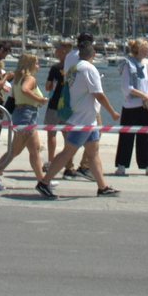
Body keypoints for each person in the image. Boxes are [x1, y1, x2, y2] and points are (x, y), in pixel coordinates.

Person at [35, 39, 120, 198]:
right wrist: (112, 112)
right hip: (83, 120)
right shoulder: (89, 70)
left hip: (85, 118)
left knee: (93, 153)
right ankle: (44, 182)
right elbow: (98, 94)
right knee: (68, 152)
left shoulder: (74, 69)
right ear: (94, 54)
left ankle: (102, 187)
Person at [0, 51, 48, 191]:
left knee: (35, 149)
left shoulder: (18, 79)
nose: (38, 66)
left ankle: (43, 181)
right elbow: (25, 90)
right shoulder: (29, 79)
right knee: (14, 150)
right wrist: (40, 99)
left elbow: (15, 97)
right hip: (27, 115)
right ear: (30, 64)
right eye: (36, 63)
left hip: (24, 114)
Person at [114, 38, 148, 177]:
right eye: (146, 49)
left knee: (146, 136)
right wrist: (143, 95)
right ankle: (122, 165)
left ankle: (147, 165)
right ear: (139, 50)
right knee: (126, 136)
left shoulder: (147, 64)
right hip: (131, 106)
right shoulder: (128, 64)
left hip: (145, 106)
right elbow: (126, 88)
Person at [43, 55, 67, 165]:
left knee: (52, 134)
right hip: (67, 105)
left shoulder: (55, 68)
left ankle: (51, 161)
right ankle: (68, 163)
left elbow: (47, 86)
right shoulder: (74, 68)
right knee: (67, 135)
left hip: (54, 104)